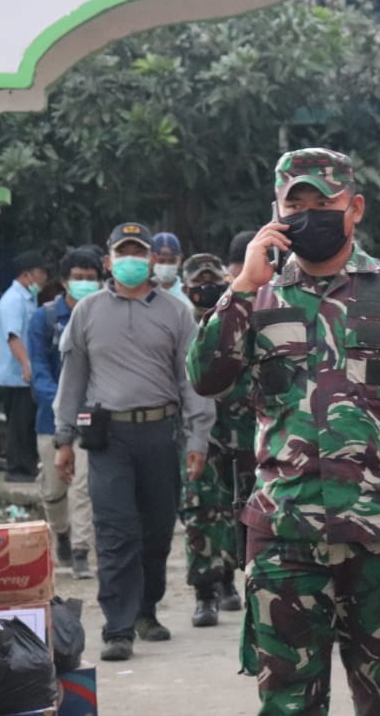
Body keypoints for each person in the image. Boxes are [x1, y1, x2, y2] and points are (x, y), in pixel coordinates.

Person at [188, 148, 380, 716]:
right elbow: (206, 377)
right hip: (284, 531)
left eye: (325, 203)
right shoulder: (256, 294)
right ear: (276, 212)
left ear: (354, 207)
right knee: (288, 705)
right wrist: (241, 285)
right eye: (297, 204)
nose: (310, 214)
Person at [53, 221, 216, 663]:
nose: (131, 260)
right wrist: (63, 439)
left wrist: (198, 436)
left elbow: (192, 381)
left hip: (160, 434)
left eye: (138, 253)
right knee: (115, 531)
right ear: (108, 261)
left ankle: (147, 609)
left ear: (150, 259)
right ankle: (118, 627)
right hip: (109, 438)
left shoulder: (176, 312)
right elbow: (73, 380)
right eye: (122, 253)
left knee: (158, 529)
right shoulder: (86, 314)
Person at [178, 253, 247, 628]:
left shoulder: (236, 319)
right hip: (195, 433)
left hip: (241, 428)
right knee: (200, 510)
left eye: (213, 281)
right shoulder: (179, 321)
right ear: (186, 287)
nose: (206, 288)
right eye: (197, 282)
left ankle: (230, 581)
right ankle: (204, 593)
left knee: (241, 511)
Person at [28, 248, 102, 580]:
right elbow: (39, 371)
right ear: (64, 281)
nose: (84, 283)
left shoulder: (102, 316)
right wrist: (61, 404)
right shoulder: (43, 319)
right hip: (51, 418)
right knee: (53, 489)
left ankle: (82, 550)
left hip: (91, 417)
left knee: (83, 486)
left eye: (91, 278)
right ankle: (61, 533)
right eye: (79, 278)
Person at [0, 250, 50, 482]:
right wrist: (27, 365)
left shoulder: (27, 298)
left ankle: (26, 466)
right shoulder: (13, 300)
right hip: (16, 374)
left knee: (26, 421)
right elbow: (13, 336)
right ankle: (17, 469)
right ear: (27, 274)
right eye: (41, 273)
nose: (44, 278)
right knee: (19, 422)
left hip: (23, 374)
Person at [151, 231, 192, 304]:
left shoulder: (188, 294)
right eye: (161, 261)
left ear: (180, 259)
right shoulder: (141, 292)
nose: (166, 265)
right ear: (151, 260)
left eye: (172, 261)